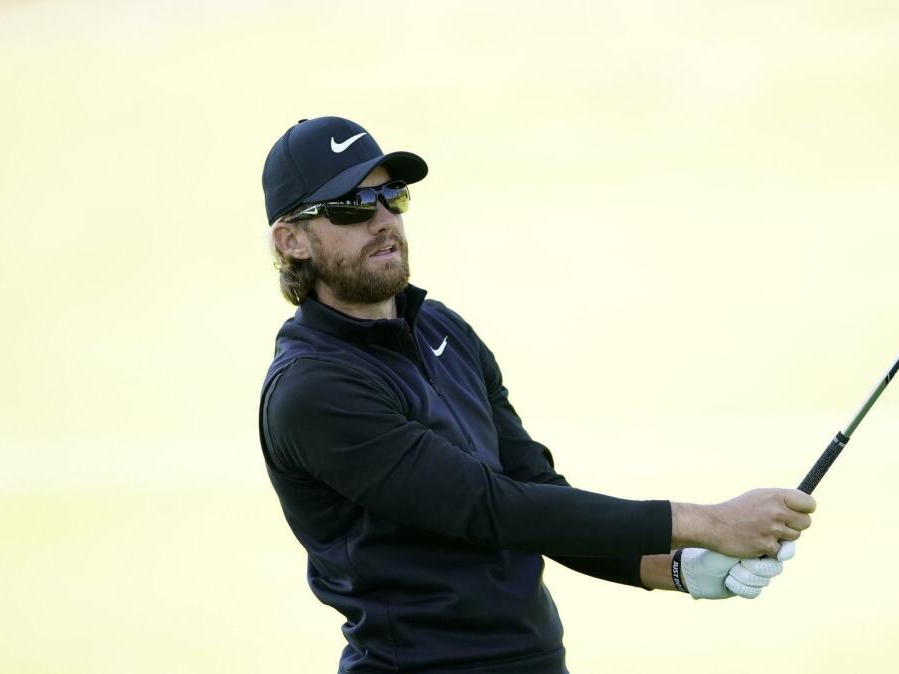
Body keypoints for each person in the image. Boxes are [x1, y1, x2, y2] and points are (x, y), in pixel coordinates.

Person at [257, 116, 817, 674]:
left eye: (391, 196)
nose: (382, 219)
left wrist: (676, 568)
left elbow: (535, 491)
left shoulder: (440, 329)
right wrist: (710, 522)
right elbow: (488, 507)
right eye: (351, 206)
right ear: (292, 240)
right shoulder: (313, 389)